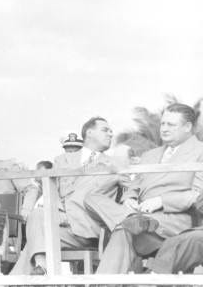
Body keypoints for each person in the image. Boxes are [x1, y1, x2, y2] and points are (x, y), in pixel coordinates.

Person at [84, 103, 203, 274]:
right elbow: (134, 187)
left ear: (187, 127)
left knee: (123, 231)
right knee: (92, 198)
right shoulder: (150, 155)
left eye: (171, 124)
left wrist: (161, 201)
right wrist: (129, 199)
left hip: (172, 221)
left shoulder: (200, 152)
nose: (164, 129)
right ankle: (129, 217)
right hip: (140, 218)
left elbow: (197, 195)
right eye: (163, 123)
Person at [11, 116, 123, 275]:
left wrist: (132, 199)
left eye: (111, 131)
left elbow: (133, 187)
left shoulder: (114, 164)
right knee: (37, 217)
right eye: (105, 130)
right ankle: (41, 267)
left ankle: (36, 270)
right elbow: (52, 191)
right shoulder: (62, 160)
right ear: (89, 133)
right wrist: (58, 213)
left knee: (36, 242)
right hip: (61, 226)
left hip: (88, 229)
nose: (111, 134)